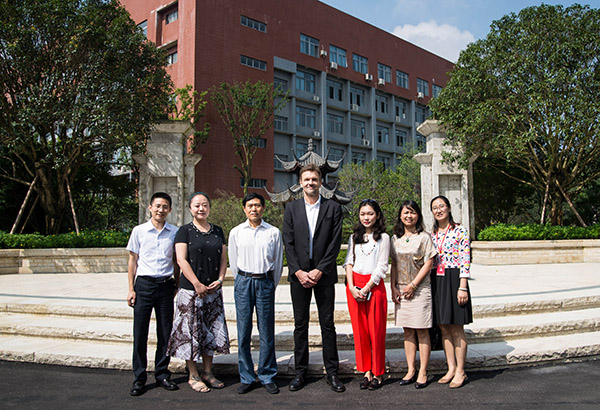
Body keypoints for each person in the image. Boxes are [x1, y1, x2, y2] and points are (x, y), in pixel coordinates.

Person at [282, 163, 345, 393]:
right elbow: (288, 243)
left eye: (314, 179)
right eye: (306, 179)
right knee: (300, 325)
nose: (310, 183)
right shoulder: (291, 209)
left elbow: (335, 243)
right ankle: (301, 372)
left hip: (324, 275)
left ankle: (333, 372)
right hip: (299, 276)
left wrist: (320, 270)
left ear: (321, 182)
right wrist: (298, 271)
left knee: (327, 324)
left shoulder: (333, 208)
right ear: (300, 183)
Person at [167, 192, 230, 393]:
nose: (201, 208)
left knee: (210, 331)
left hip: (213, 290)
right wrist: (197, 284)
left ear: (209, 208)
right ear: (190, 208)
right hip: (190, 290)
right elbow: (181, 260)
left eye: (204, 205)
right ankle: (193, 375)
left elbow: (223, 259)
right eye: (197, 205)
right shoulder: (184, 231)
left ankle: (208, 373)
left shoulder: (218, 231)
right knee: (190, 333)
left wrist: (220, 280)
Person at [228, 193, 284, 395]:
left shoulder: (273, 232)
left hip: (265, 281)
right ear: (244, 209)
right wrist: (243, 279)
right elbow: (233, 262)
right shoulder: (236, 232)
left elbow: (278, 262)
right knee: (243, 331)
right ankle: (246, 376)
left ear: (263, 208)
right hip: (243, 281)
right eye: (250, 206)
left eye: (258, 205)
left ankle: (267, 375)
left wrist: (270, 283)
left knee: (266, 330)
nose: (254, 209)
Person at [126, 192, 180, 396]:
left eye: (165, 207)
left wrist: (176, 284)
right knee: (140, 333)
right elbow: (133, 261)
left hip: (165, 285)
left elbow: (176, 261)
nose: (161, 210)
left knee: (165, 332)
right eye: (157, 206)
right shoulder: (139, 231)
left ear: (170, 210)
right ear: (150, 207)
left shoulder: (174, 232)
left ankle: (162, 374)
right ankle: (139, 378)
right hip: (144, 286)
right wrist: (131, 289)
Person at [390, 200, 437, 389]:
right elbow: (394, 264)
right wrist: (393, 287)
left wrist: (413, 285)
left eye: (412, 212)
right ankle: (410, 370)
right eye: (405, 212)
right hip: (401, 290)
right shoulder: (395, 238)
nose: (409, 216)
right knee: (408, 331)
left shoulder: (424, 237)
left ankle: (423, 371)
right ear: (400, 216)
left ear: (418, 215)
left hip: (420, 290)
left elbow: (429, 263)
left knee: (422, 330)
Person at [344, 199, 390, 390]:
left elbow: (382, 266)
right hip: (354, 286)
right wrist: (352, 287)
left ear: (377, 215)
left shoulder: (384, 238)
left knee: (376, 331)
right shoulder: (354, 237)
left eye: (370, 213)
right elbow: (349, 262)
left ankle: (378, 373)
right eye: (363, 214)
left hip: (374, 287)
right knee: (360, 332)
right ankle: (366, 371)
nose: (366, 217)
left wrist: (367, 287)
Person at [430, 195, 472, 389]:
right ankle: (451, 368)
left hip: (454, 279)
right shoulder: (432, 233)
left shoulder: (459, 230)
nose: (438, 210)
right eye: (435, 208)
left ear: (448, 208)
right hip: (437, 280)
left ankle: (461, 370)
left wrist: (462, 286)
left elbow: (465, 258)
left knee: (456, 327)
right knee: (444, 327)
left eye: (441, 206)